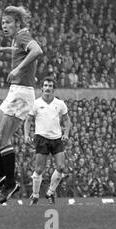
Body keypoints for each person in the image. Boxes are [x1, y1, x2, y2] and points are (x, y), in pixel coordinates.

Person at [0, 6, 43, 205]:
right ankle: (4, 177)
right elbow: (18, 49)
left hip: (22, 92)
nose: (4, 26)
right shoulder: (18, 39)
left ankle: (10, 183)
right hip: (15, 91)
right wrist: (0, 49)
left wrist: (18, 69)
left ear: (18, 23)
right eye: (3, 23)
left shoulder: (23, 35)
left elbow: (37, 50)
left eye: (8, 22)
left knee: (2, 138)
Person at [24, 77, 71, 205]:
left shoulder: (60, 104)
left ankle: (50, 192)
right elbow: (28, 121)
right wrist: (26, 135)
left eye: (50, 86)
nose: (48, 88)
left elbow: (67, 121)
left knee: (61, 167)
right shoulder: (36, 103)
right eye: (46, 85)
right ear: (42, 88)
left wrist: (66, 134)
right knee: (39, 169)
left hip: (56, 138)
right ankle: (35, 195)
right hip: (41, 138)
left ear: (53, 89)